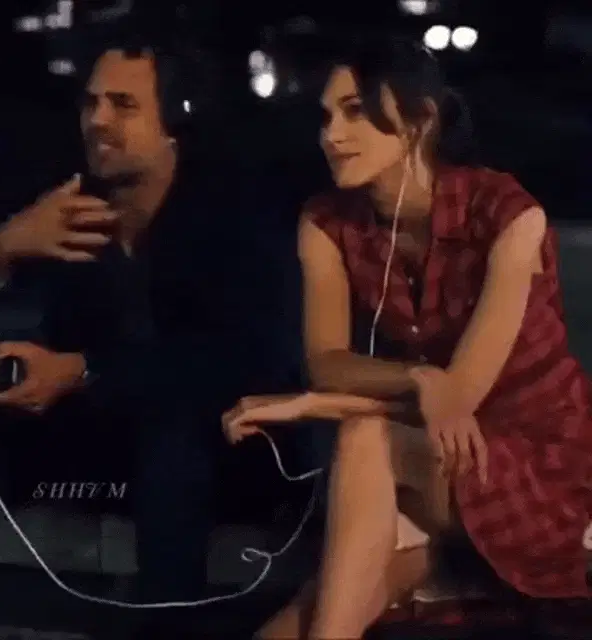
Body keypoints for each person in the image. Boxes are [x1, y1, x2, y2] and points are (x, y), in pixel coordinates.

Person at [223, 36, 592, 639]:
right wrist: (414, 376)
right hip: (430, 468)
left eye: (356, 112)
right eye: (326, 115)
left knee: (366, 438)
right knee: (288, 627)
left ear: (419, 122)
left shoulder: (507, 214)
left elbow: (461, 396)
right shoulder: (327, 222)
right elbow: (329, 361)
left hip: (537, 473)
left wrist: (314, 406)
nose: (331, 135)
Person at [0, 36, 301, 612]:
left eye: (123, 105)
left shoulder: (235, 213)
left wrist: (85, 369)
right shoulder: (64, 200)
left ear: (175, 122)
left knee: (175, 431)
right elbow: (0, 329)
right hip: (93, 448)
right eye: (91, 103)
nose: (98, 120)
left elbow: (249, 357)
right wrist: (1, 251)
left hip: (222, 454)